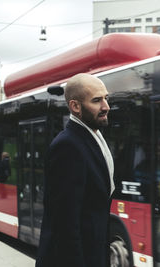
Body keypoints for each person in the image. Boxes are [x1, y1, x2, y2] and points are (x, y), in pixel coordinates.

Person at [36, 73, 114, 267]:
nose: (106, 106)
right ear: (75, 106)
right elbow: (65, 223)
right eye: (97, 100)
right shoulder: (67, 146)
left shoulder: (93, 137)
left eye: (106, 98)